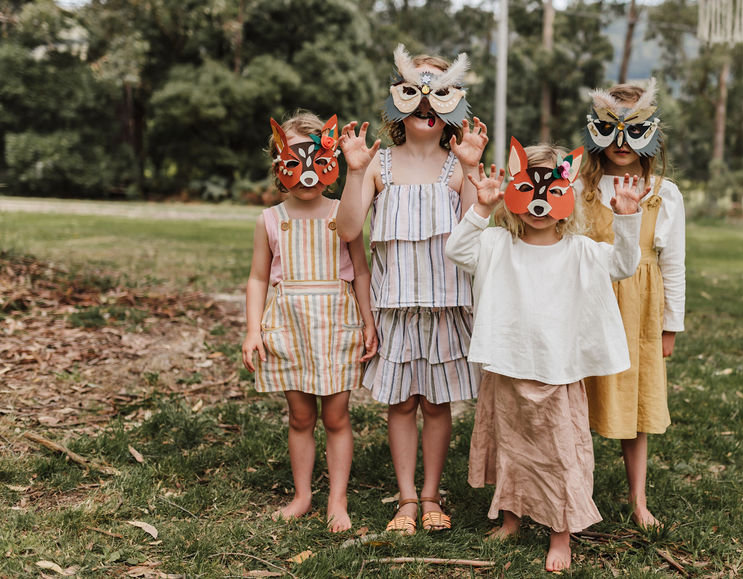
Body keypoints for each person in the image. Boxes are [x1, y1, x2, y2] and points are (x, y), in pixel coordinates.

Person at [446, 138, 642, 572]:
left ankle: (560, 533)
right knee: (511, 447)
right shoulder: (496, 244)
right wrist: (480, 208)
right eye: (528, 190)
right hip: (507, 364)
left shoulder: (582, 252)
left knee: (558, 453)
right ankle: (512, 518)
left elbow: (624, 265)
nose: (538, 204)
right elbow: (456, 251)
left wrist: (627, 219)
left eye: (550, 192)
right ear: (514, 195)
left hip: (557, 370)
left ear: (566, 194)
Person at [335, 45, 488, 534]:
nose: (426, 105)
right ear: (399, 102)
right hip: (394, 305)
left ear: (455, 105)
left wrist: (474, 168)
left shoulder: (458, 166)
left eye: (438, 96)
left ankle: (431, 496)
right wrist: (355, 172)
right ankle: (405, 499)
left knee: (437, 403)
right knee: (401, 403)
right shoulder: (379, 165)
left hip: (446, 305)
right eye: (416, 95)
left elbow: (473, 232)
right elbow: (347, 229)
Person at [242, 111, 377, 533]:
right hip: (290, 328)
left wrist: (369, 323)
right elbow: (258, 277)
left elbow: (362, 272)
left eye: (317, 162)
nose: (306, 174)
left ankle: (337, 499)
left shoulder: (344, 213)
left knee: (336, 418)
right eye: (294, 163)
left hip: (336, 326)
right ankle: (302, 495)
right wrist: (252, 330)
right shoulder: (270, 220)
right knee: (300, 417)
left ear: (332, 162)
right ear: (280, 167)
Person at [578, 79, 686, 529]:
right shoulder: (576, 185)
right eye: (610, 129)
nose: (621, 142)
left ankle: (638, 498)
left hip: (638, 307)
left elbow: (674, 263)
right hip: (587, 300)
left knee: (636, 401)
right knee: (575, 398)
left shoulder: (665, 192)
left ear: (652, 134)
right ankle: (574, 491)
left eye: (633, 130)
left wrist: (670, 325)